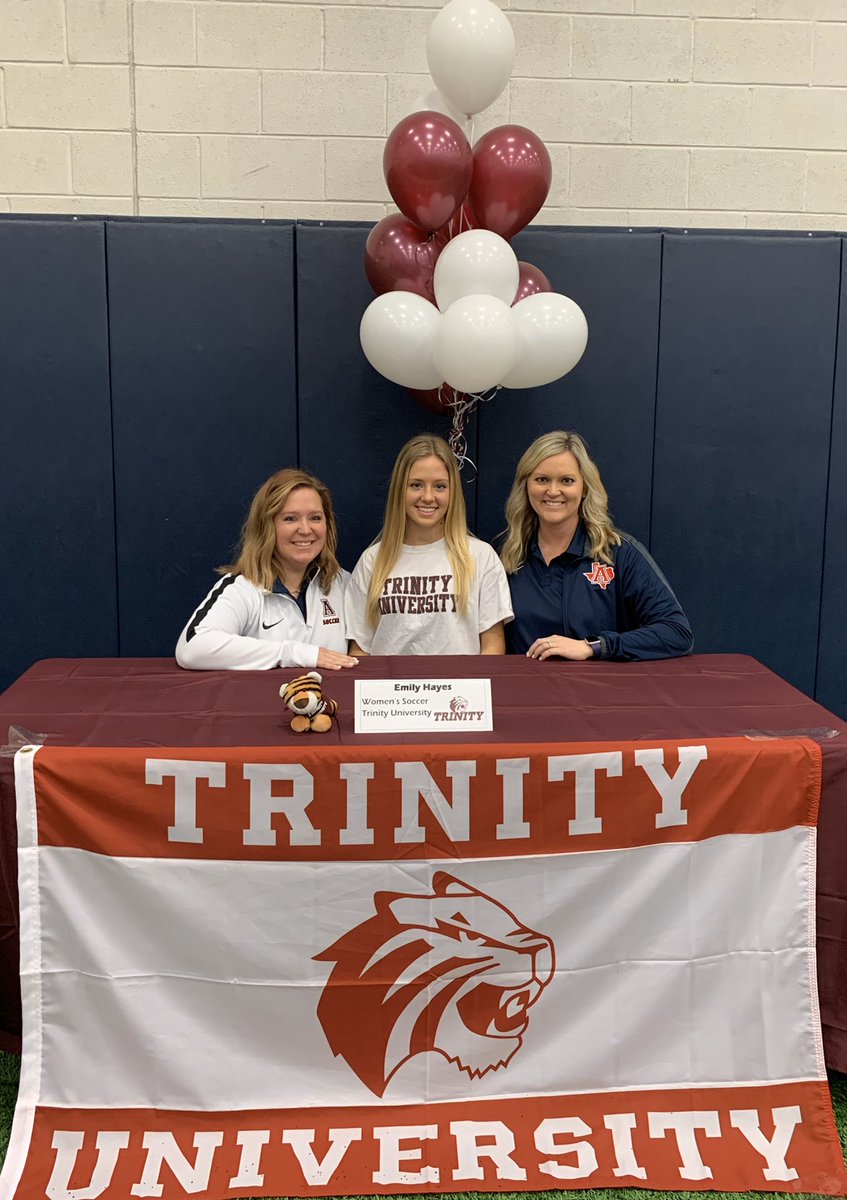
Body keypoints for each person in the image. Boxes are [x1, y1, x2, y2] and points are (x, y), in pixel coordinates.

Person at [501, 431, 693, 661]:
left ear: (584, 489)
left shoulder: (618, 552)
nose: (553, 491)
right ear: (526, 486)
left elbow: (677, 632)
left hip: (599, 693)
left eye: (567, 480)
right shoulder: (505, 555)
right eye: (542, 479)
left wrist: (595, 646)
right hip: (528, 692)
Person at [346, 434, 513, 655]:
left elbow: (493, 646)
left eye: (440, 486)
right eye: (416, 485)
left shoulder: (481, 557)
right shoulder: (373, 561)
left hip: (460, 689)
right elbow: (359, 650)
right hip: (391, 689)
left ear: (453, 492)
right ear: (399, 490)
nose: (428, 496)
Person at [176, 468, 357, 671]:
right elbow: (192, 648)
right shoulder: (243, 587)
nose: (306, 530)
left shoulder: (343, 583)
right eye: (290, 518)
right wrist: (297, 653)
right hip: (259, 702)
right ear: (266, 526)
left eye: (315, 518)